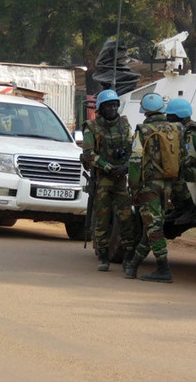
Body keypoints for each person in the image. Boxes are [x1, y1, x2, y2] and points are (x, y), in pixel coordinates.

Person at [125, 93, 185, 283]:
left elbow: (135, 162)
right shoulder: (177, 128)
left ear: (145, 111)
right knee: (152, 226)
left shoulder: (142, 131)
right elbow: (182, 156)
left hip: (148, 187)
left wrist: (134, 189)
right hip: (168, 185)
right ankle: (133, 265)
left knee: (153, 226)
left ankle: (163, 268)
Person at [82, 89, 136, 272]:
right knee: (102, 219)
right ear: (101, 108)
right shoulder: (92, 127)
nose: (112, 109)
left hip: (121, 179)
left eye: (115, 105)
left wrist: (126, 166)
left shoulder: (124, 124)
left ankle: (129, 257)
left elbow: (132, 148)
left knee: (126, 218)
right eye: (108, 106)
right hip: (103, 179)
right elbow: (88, 154)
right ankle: (103, 257)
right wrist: (107, 167)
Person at [165, 98, 196, 225]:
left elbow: (189, 158)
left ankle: (189, 209)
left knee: (174, 173)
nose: (167, 118)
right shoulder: (181, 129)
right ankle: (180, 208)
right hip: (190, 167)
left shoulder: (191, 132)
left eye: (170, 116)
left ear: (179, 116)